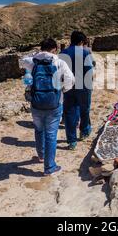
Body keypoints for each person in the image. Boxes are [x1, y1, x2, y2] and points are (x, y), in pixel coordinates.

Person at [22, 39, 75, 176]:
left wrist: (34, 54)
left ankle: (41, 156)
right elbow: (70, 80)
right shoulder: (59, 62)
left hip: (36, 102)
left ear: (41, 48)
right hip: (54, 103)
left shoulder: (32, 61)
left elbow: (21, 61)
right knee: (51, 135)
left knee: (39, 129)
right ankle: (49, 167)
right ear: (54, 49)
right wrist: (63, 90)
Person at [60, 31, 95, 151]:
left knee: (69, 112)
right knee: (84, 109)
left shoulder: (62, 53)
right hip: (83, 85)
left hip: (68, 86)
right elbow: (89, 70)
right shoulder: (85, 52)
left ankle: (72, 141)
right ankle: (84, 131)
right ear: (81, 41)